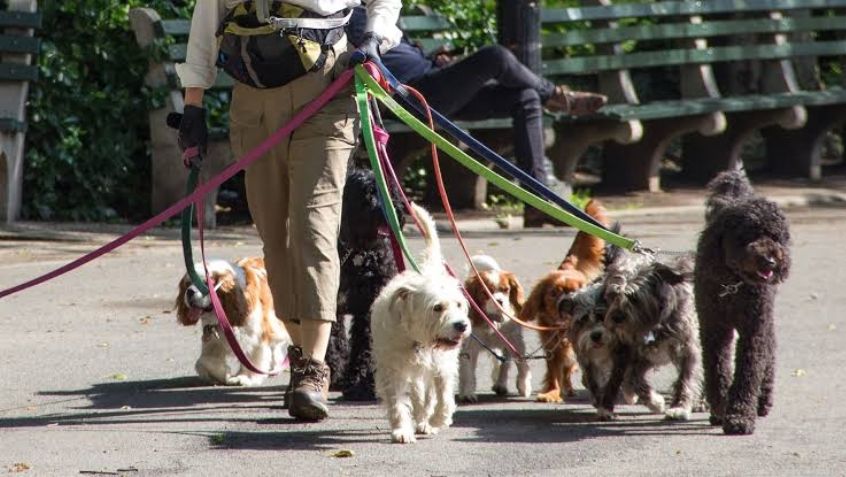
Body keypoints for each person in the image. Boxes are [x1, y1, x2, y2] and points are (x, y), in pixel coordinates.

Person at [175, 0, 400, 421]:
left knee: (312, 228)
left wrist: (373, 37)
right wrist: (193, 107)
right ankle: (300, 355)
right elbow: (206, 21)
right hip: (254, 101)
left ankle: (314, 367)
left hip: (327, 90)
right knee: (274, 237)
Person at [346, 7, 607, 227]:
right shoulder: (351, 15)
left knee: (525, 97)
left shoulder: (376, 9)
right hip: (412, 93)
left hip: (435, 85)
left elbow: (400, 55)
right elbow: (370, 61)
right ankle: (558, 97)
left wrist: (437, 61)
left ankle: (537, 201)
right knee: (495, 57)